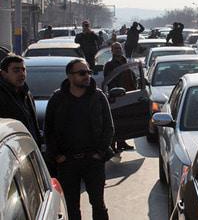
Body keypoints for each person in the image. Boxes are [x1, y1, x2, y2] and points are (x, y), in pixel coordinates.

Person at [45, 58, 113, 220]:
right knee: (71, 206)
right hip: (67, 162)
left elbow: (108, 128)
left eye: (88, 72)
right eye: (82, 73)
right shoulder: (57, 99)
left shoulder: (98, 97)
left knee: (98, 204)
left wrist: (100, 153)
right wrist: (57, 156)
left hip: (93, 161)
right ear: (70, 76)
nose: (87, 76)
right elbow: (49, 130)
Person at [0, 55, 42, 146]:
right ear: (3, 73)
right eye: (16, 70)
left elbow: (32, 125)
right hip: (11, 151)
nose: (21, 74)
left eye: (23, 70)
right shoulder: (2, 96)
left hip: (29, 149)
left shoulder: (26, 93)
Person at [103, 43, 135, 151]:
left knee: (125, 121)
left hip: (128, 94)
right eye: (115, 48)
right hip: (116, 95)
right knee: (115, 121)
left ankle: (122, 142)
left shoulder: (125, 61)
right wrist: (114, 92)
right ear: (112, 50)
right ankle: (112, 145)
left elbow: (131, 75)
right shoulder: (109, 65)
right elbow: (109, 80)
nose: (118, 50)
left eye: (119, 48)